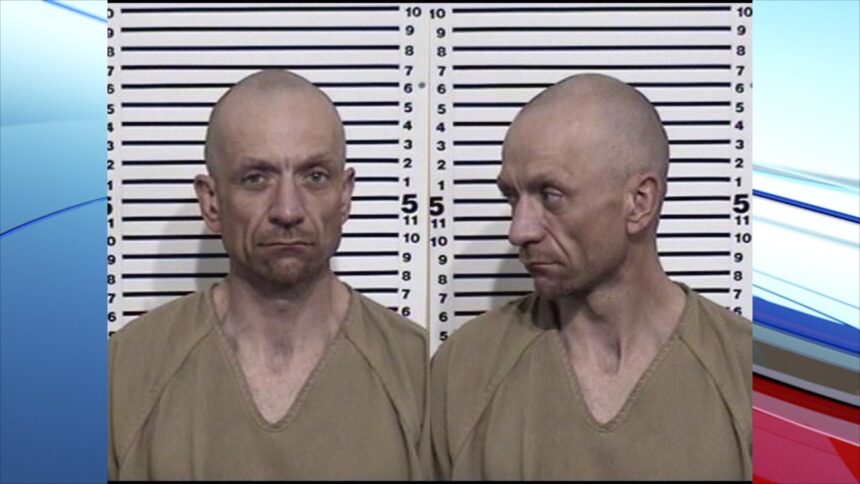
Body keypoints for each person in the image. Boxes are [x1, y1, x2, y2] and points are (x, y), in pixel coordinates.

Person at [108, 70, 429, 480]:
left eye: (315, 177)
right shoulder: (124, 374)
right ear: (211, 202)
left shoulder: (420, 373)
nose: (288, 210)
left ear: (345, 196)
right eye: (255, 179)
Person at [430, 73, 752, 480]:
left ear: (639, 202)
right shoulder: (466, 369)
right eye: (512, 197)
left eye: (551, 195)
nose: (519, 230)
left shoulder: (746, 375)